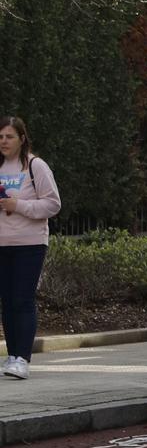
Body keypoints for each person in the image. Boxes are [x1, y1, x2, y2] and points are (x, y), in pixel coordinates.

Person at [0, 117, 61, 380]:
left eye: (10, 136)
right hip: (2, 245)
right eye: (1, 137)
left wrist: (20, 206)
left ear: (22, 139)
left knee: (22, 300)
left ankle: (23, 358)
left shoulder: (36, 166)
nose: (4, 141)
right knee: (6, 302)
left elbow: (52, 204)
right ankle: (12, 356)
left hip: (30, 244)